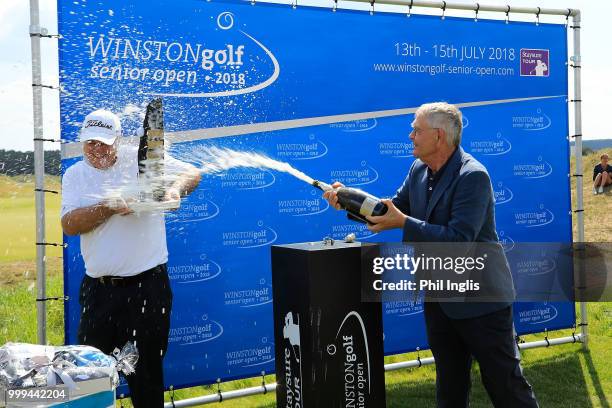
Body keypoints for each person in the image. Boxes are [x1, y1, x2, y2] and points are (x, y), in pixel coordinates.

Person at [323, 102, 538, 408]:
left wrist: (403, 222)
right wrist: (349, 201)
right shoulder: (418, 170)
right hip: (439, 300)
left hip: (483, 303)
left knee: (505, 385)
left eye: (416, 129)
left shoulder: (473, 176)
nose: (410, 135)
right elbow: (391, 211)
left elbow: (458, 240)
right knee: (449, 389)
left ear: (438, 136)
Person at [61, 109, 201, 408]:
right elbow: (69, 225)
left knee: (146, 376)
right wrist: (108, 207)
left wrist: (175, 191)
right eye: (90, 143)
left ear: (118, 140)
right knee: (89, 376)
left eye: (103, 142)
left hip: (147, 289)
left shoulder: (140, 159)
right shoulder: (74, 175)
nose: (97, 149)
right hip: (99, 292)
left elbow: (193, 173)